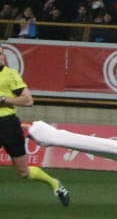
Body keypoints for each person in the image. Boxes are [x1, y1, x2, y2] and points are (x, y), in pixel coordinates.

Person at [0, 49, 68, 205]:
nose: (1, 56)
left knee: (23, 172)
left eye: (1, 53)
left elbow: (28, 100)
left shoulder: (10, 74)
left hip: (8, 125)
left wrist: (4, 99)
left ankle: (54, 183)